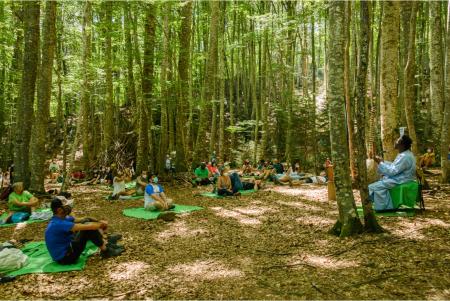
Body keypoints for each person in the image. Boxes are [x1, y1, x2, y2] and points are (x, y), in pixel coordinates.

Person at [45, 198, 123, 264]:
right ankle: (106, 251)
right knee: (87, 229)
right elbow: (87, 226)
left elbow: (83, 219)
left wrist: (98, 221)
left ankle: (106, 242)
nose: (68, 207)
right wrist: (101, 225)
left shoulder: (61, 218)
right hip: (65, 257)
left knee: (87, 221)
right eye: (65, 206)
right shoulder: (58, 223)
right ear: (59, 210)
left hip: (68, 247)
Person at [368, 135, 416, 211]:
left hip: (401, 180)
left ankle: (384, 207)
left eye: (397, 141)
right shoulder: (405, 154)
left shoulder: (405, 156)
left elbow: (392, 171)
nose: (395, 142)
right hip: (400, 178)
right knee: (376, 185)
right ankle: (384, 205)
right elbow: (395, 166)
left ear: (402, 145)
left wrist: (380, 163)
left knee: (372, 187)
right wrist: (382, 162)